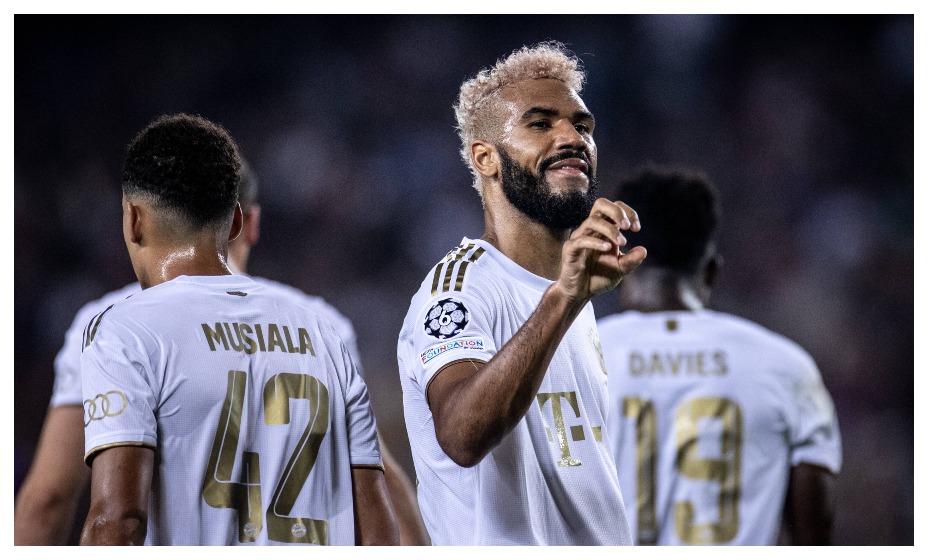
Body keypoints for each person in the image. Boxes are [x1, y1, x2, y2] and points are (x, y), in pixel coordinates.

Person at [14, 155, 429, 547]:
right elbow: (376, 488)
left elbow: (49, 499)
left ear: (143, 218)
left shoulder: (115, 325)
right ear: (247, 222)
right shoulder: (321, 324)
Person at [396, 41, 646, 545]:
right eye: (540, 124)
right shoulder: (460, 289)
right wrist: (564, 298)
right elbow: (461, 435)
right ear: (485, 157)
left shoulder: (570, 291)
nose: (572, 137)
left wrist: (567, 296)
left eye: (582, 126)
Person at [598, 167, 842, 545]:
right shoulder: (786, 368)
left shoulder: (573, 357)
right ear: (711, 271)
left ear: (615, 259)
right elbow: (814, 542)